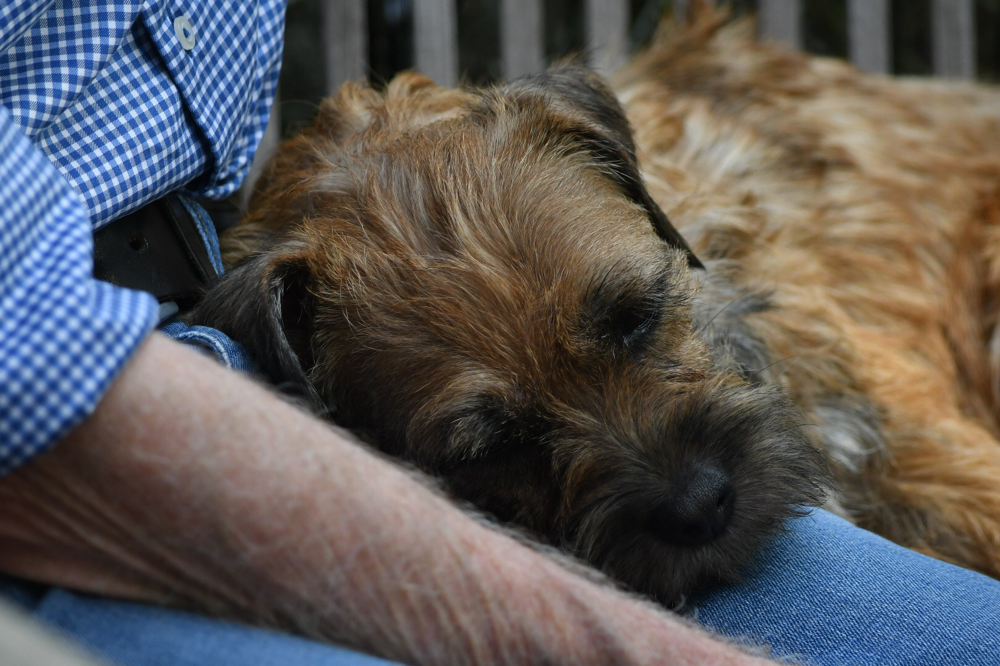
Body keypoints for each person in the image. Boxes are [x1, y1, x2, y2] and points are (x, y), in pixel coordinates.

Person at [2, 3, 1000, 665]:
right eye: (500, 440)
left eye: (637, 320)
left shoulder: (720, 252)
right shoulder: (300, 323)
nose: (688, 492)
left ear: (639, 195)